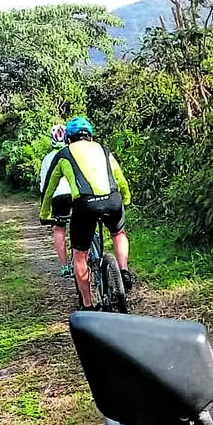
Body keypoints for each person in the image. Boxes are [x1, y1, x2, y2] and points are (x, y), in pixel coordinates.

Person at [39, 116, 134, 309]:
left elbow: (50, 187)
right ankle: (123, 270)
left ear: (69, 139)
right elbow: (121, 179)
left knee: (80, 254)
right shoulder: (103, 149)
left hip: (85, 204)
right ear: (90, 136)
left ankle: (88, 305)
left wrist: (45, 214)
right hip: (113, 200)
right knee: (118, 233)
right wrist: (125, 199)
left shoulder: (64, 154)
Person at [39, 124, 73, 277]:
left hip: (58, 196)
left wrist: (44, 207)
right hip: (77, 194)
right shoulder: (73, 152)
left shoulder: (47, 159)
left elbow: (44, 186)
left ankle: (65, 267)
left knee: (59, 229)